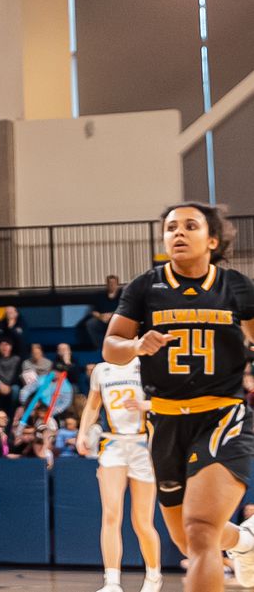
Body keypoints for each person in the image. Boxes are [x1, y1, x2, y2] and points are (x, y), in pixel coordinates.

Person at [104, 203, 254, 592]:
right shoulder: (143, 287)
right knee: (188, 540)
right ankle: (246, 544)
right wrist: (136, 345)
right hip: (165, 421)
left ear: (213, 240)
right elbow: (110, 348)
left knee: (200, 529)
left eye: (190, 226)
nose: (178, 233)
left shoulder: (235, 286)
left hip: (222, 416)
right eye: (171, 227)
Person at [77, 357, 163, 592]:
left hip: (143, 446)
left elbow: (168, 401)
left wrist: (145, 405)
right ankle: (112, 582)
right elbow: (93, 405)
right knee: (111, 514)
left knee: (142, 522)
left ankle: (154, 575)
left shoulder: (147, 365)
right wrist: (82, 433)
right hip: (113, 445)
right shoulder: (102, 370)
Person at [80, 275, 122, 349]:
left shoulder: (122, 295)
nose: (111, 285)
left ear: (117, 284)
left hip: (116, 319)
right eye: (109, 283)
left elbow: (125, 309)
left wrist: (111, 315)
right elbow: (93, 311)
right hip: (101, 319)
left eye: (113, 283)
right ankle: (100, 347)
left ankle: (117, 346)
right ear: (107, 284)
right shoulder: (100, 295)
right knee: (91, 324)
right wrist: (100, 316)